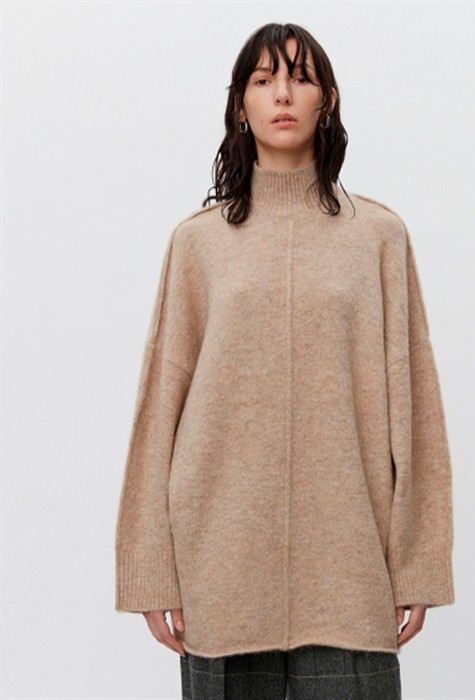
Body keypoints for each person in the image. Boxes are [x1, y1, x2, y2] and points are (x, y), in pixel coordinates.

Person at [115, 22, 455, 700]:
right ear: (240, 105)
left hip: (350, 567)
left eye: (300, 78)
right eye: (263, 80)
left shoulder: (378, 237)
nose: (282, 95)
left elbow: (415, 406)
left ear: (327, 100)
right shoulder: (198, 244)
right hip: (220, 566)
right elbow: (160, 410)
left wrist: (419, 561)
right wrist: (150, 568)